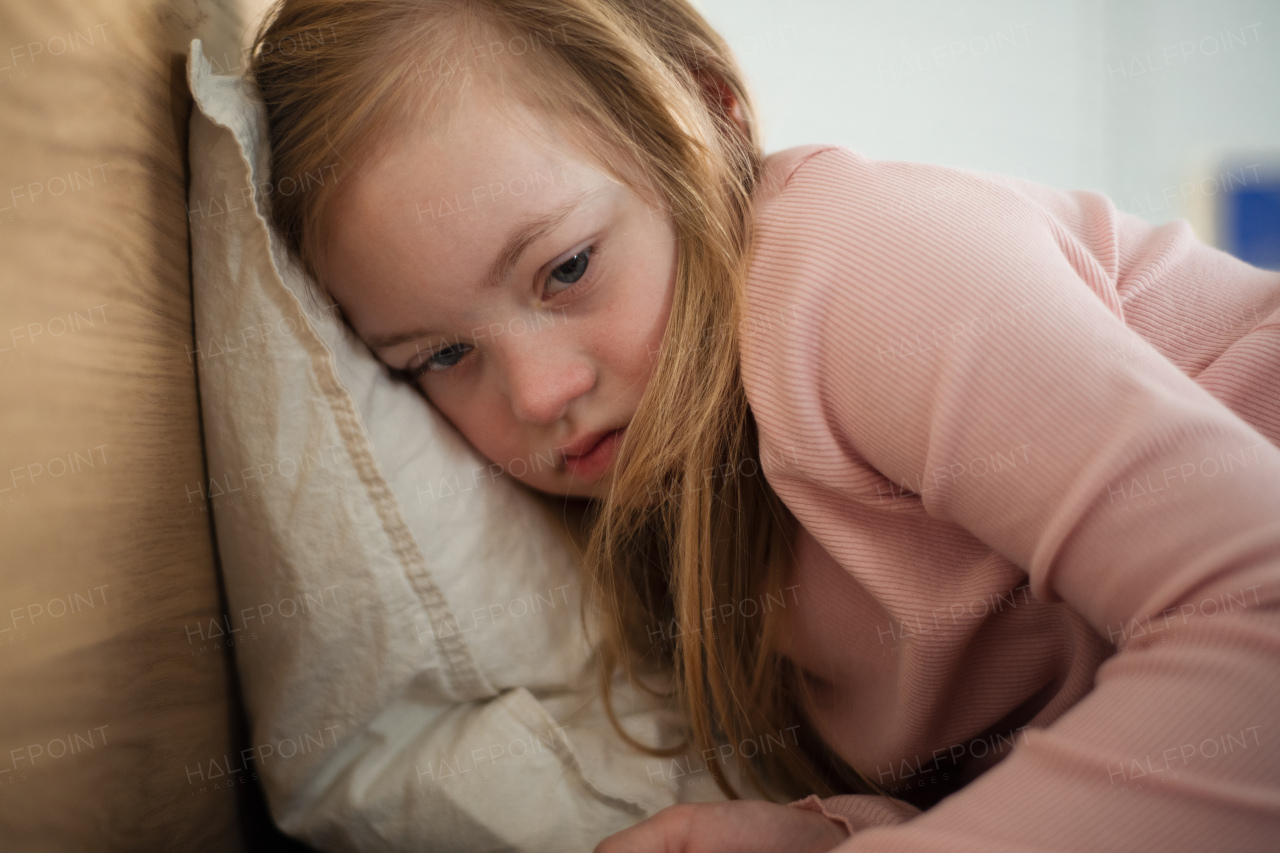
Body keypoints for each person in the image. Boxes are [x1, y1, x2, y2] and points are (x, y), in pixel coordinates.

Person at [249, 0, 1280, 849]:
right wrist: (834, 831)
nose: (535, 394)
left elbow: (1253, 616)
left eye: (564, 269)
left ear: (706, 111)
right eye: (438, 357)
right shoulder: (662, 505)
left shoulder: (851, 265)